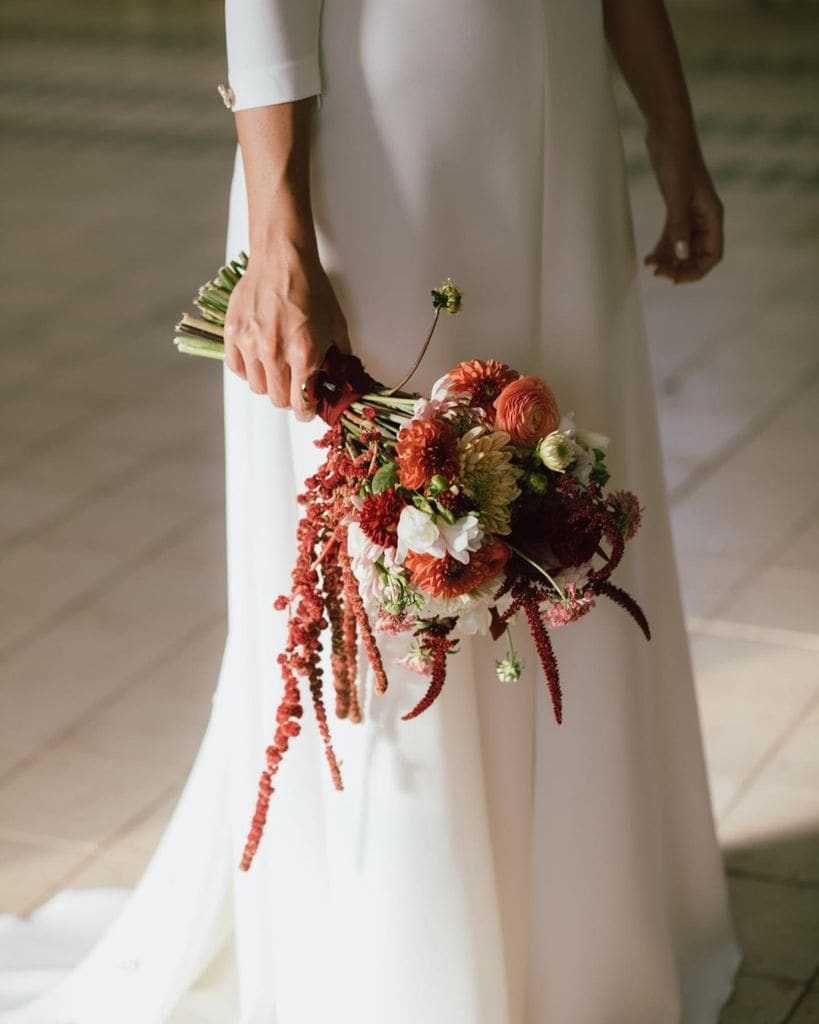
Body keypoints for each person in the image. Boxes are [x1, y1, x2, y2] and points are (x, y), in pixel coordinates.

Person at [0, 0, 742, 1021]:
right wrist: (279, 230)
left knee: (563, 503)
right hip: (384, 145)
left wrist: (670, 125)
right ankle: (412, 963)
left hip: (558, 125)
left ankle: (576, 941)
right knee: (415, 552)